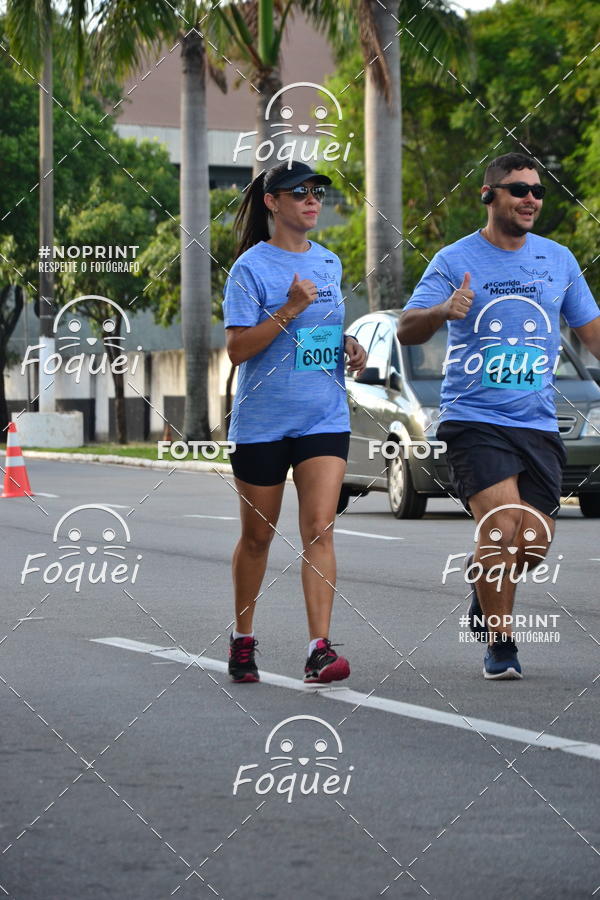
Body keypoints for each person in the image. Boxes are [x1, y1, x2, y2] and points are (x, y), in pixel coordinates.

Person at [398, 152, 600, 680]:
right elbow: (406, 328)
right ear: (489, 195)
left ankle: (482, 581)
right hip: (473, 417)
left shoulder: (558, 260)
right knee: (502, 525)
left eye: (537, 191)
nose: (531, 199)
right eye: (519, 190)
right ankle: (501, 643)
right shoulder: (454, 259)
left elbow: (592, 334)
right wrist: (442, 310)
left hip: (537, 421)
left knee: (530, 543)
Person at [222, 160, 367, 685]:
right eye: (299, 192)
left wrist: (348, 344)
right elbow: (238, 349)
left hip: (323, 416)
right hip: (262, 422)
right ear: (272, 201)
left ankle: (319, 650)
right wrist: (287, 308)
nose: (312, 200)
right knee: (257, 538)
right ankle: (242, 639)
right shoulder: (249, 269)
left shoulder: (328, 262)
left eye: (317, 192)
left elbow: (321, 331)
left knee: (319, 528)